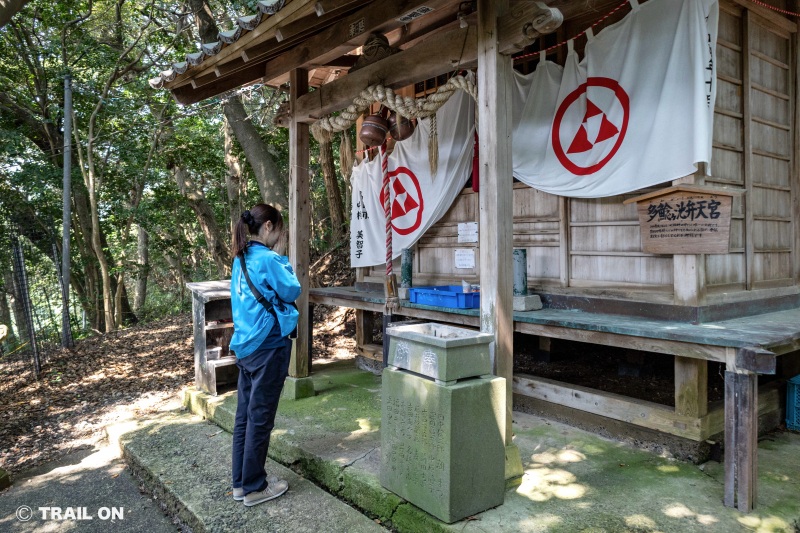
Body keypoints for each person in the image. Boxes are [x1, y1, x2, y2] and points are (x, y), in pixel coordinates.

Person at [229, 204, 301, 507]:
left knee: (245, 417)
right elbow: (292, 290)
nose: (279, 237)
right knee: (261, 419)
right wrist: (284, 263)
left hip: (244, 345)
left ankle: (241, 484)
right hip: (268, 345)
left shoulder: (241, 257)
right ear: (268, 226)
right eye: (279, 230)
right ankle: (256, 488)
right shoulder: (269, 259)